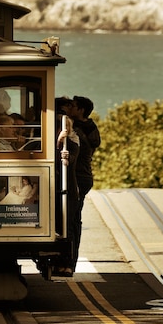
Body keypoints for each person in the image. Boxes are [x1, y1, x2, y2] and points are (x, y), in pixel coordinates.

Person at [63, 95, 101, 271]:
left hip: (78, 176)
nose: (70, 108)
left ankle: (69, 262)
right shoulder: (91, 128)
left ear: (81, 110)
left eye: (73, 106)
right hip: (84, 176)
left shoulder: (76, 130)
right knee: (74, 219)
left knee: (71, 219)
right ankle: (71, 260)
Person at [54, 97, 80, 276]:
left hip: (69, 190)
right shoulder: (60, 142)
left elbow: (67, 161)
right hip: (60, 189)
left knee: (67, 226)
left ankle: (68, 263)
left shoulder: (71, 143)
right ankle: (61, 262)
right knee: (60, 226)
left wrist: (60, 143)